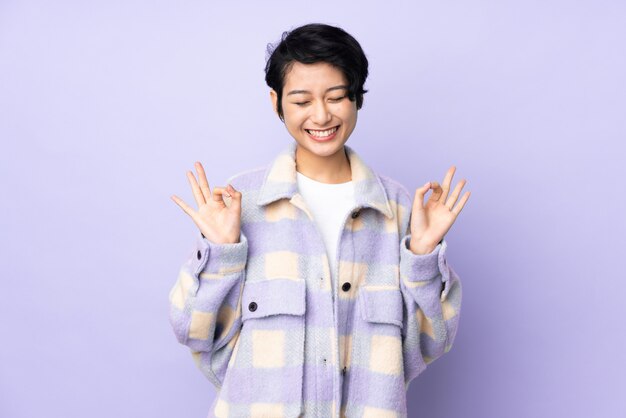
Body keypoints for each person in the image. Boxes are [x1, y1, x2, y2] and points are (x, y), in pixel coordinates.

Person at [169, 22, 470, 418]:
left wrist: (423, 255)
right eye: (302, 100)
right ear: (276, 102)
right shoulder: (241, 203)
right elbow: (194, 331)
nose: (322, 115)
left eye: (336, 96)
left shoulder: (398, 210)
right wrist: (222, 253)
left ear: (356, 98)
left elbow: (430, 345)